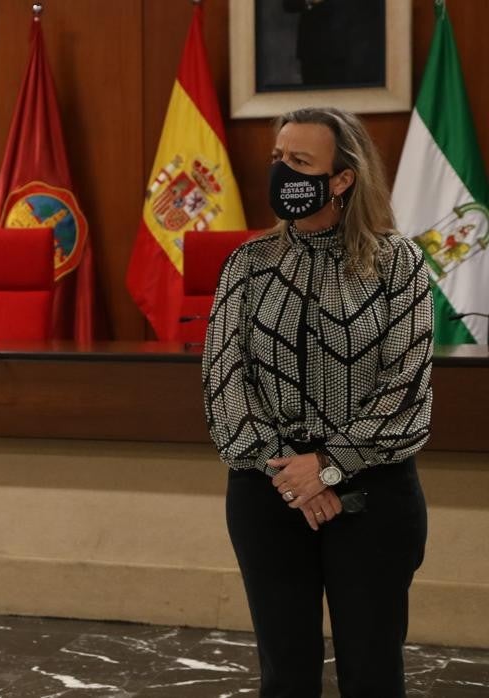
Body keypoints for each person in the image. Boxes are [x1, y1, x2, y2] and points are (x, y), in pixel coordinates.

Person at [202, 106, 431, 697]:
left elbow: (405, 390)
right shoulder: (248, 265)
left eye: (300, 162)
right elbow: (226, 382)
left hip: (372, 496)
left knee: (374, 671)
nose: (283, 172)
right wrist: (293, 476)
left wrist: (327, 467)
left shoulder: (397, 264)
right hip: (267, 492)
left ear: (342, 178)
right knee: (285, 674)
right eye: (279, 158)